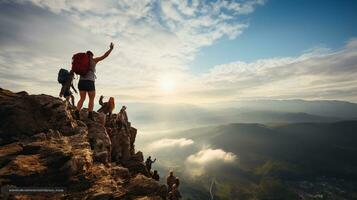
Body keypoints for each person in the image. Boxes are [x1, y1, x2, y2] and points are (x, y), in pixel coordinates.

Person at [75, 42, 114, 120]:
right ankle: (90, 114)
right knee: (91, 99)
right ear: (92, 55)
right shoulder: (94, 60)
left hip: (81, 82)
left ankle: (77, 111)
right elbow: (105, 56)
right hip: (90, 82)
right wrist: (111, 49)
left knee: (82, 98)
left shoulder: (81, 62)